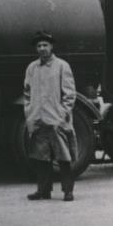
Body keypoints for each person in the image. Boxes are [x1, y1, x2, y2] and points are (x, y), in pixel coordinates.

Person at [23, 31, 77, 201]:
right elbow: (27, 92)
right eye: (39, 46)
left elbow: (69, 94)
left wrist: (62, 115)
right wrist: (30, 111)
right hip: (38, 120)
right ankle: (43, 190)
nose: (42, 49)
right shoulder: (32, 68)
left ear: (51, 46)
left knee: (63, 157)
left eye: (45, 45)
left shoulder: (62, 66)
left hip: (56, 120)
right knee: (41, 157)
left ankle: (68, 191)